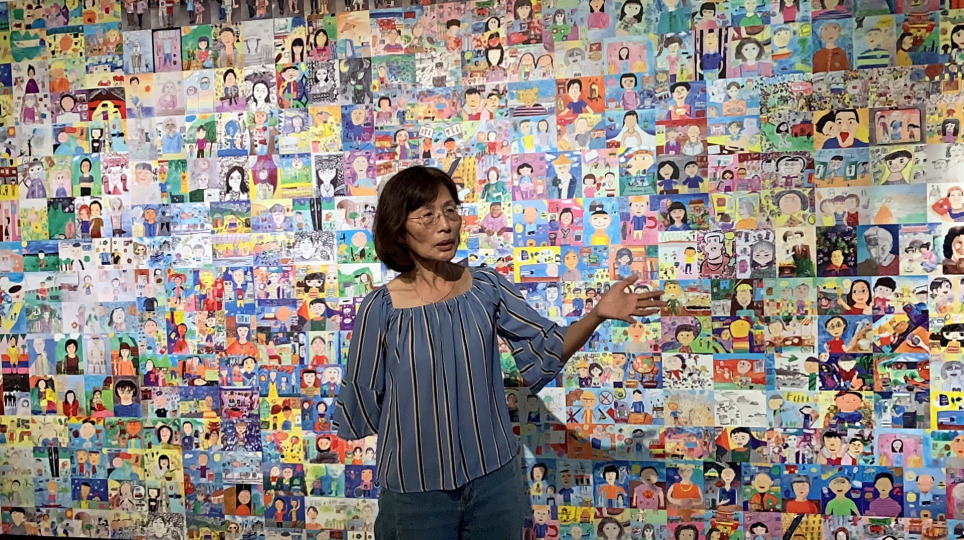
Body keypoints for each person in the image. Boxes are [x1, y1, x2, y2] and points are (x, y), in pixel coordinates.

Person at [332, 166, 664, 538]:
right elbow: (363, 397)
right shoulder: (380, 308)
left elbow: (547, 346)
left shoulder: (486, 287)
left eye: (450, 210)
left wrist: (597, 314)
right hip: (416, 492)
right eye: (427, 215)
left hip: (494, 484)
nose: (445, 225)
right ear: (398, 228)